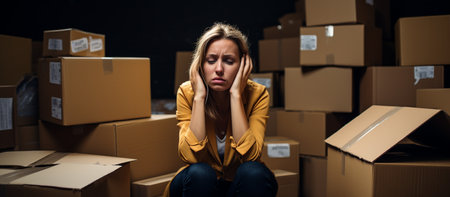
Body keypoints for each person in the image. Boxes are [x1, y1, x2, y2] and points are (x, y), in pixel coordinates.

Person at [164, 23, 278, 197]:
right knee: (200, 172)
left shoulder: (258, 94)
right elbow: (189, 157)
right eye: (211, 60)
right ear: (200, 64)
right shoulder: (187, 93)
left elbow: (251, 156)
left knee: (254, 172)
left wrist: (236, 96)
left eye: (229, 61)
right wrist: (199, 98)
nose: (218, 69)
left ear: (243, 65)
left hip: (236, 186)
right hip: (198, 185)